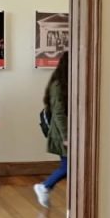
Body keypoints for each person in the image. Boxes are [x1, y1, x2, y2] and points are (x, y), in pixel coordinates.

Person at [34, 52, 68, 209]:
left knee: (68, 166)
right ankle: (45, 186)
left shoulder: (66, 83)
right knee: (68, 166)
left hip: (66, 132)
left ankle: (45, 187)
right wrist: (66, 137)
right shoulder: (58, 85)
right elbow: (59, 113)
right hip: (63, 133)